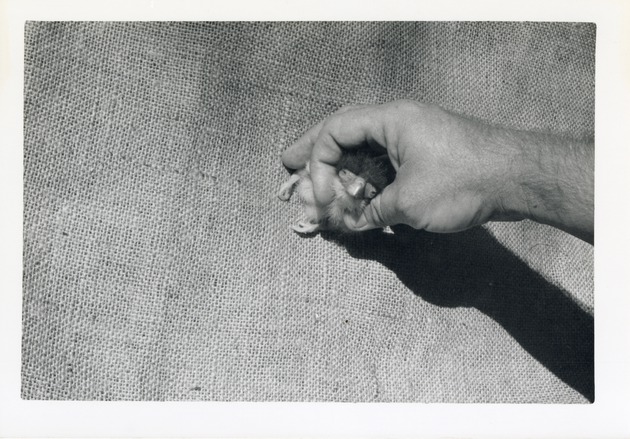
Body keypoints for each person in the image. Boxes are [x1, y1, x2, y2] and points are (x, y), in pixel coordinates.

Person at [281, 100, 594, 244]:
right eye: (353, 179)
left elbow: (343, 207)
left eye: (361, 184)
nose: (357, 186)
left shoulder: (360, 198)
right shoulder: (340, 185)